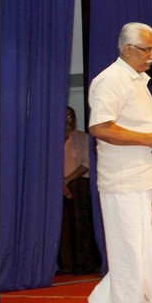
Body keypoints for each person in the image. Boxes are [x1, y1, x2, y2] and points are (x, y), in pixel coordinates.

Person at [87, 22, 152, 303]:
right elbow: (100, 127)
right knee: (130, 249)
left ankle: (116, 302)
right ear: (127, 49)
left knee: (147, 250)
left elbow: (140, 128)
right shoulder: (110, 80)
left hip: (149, 177)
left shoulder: (139, 82)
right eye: (147, 49)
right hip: (125, 180)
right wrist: (148, 139)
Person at [58, 106, 100, 275]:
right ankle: (66, 265)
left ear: (75, 119)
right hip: (58, 188)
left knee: (81, 225)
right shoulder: (52, 141)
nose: (66, 119)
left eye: (69, 116)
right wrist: (61, 184)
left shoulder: (84, 138)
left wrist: (67, 180)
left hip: (79, 185)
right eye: (63, 116)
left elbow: (87, 163)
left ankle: (84, 265)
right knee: (63, 227)